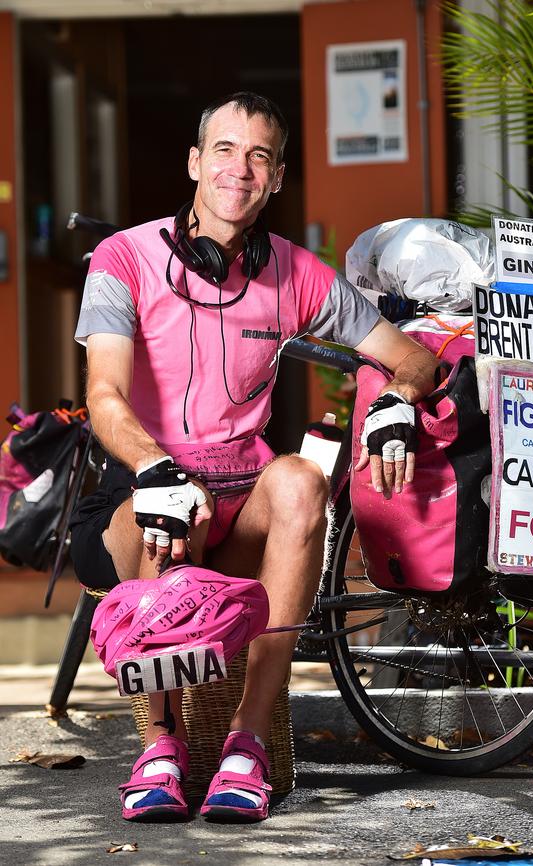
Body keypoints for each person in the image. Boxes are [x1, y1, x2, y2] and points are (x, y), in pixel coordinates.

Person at [70, 91, 440, 823]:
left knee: (302, 480)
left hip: (243, 505)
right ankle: (161, 747)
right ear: (195, 164)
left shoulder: (297, 274)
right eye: (226, 150)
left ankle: (247, 744)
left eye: (260, 156)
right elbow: (105, 395)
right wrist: (156, 468)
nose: (240, 169)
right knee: (165, 515)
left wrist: (398, 401)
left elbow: (414, 359)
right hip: (136, 502)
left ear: (274, 180)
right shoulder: (124, 258)